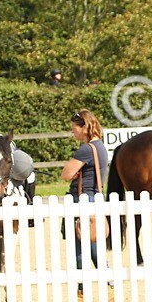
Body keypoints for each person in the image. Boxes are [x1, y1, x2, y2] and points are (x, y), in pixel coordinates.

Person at [60, 109, 110, 287]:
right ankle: (106, 283)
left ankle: (83, 289)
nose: (73, 131)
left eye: (74, 127)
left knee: (81, 246)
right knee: (92, 243)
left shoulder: (85, 150)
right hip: (94, 196)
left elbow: (66, 174)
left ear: (84, 127)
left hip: (82, 198)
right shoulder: (100, 146)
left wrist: (73, 173)